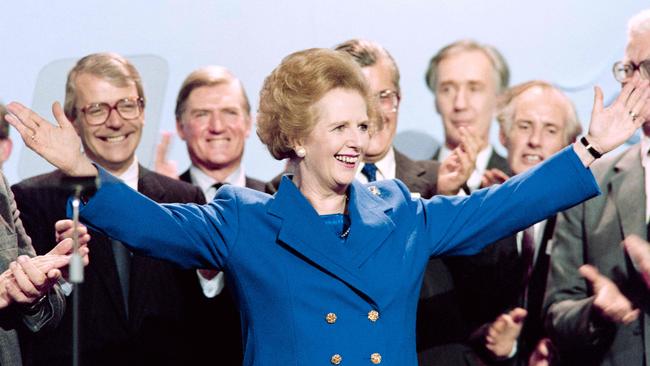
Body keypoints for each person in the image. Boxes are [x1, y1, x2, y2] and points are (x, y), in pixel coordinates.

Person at [6, 47, 647, 365]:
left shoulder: (401, 209)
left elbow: (501, 207)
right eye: (337, 128)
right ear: (297, 135)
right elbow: (153, 225)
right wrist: (83, 170)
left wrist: (590, 147)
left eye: (361, 126)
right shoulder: (243, 218)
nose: (357, 141)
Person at [10, 52, 206, 365]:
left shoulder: (184, 196)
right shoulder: (31, 198)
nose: (115, 121)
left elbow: (207, 316)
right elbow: (26, 322)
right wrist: (58, 279)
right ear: (73, 121)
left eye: (127, 105)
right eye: (97, 109)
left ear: (142, 111)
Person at [444, 81, 582, 365]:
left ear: (568, 144)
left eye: (550, 130)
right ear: (503, 136)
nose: (535, 140)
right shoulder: (480, 212)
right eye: (524, 126)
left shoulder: (583, 218)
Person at [543, 9, 650, 365]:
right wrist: (595, 312)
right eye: (627, 70)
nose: (633, 84)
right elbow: (557, 314)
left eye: (646, 68)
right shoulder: (590, 184)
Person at [157, 65, 268, 364]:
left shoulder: (277, 200)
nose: (217, 126)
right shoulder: (157, 205)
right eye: (202, 114)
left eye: (230, 112)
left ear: (249, 123)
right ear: (180, 127)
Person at [425, 40, 511, 192]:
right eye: (447, 90)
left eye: (474, 89)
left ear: (499, 100)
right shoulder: (411, 182)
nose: (460, 104)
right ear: (435, 101)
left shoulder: (516, 181)